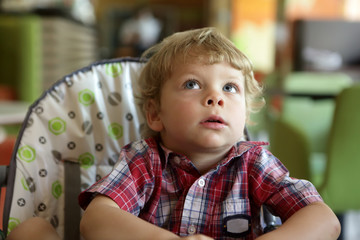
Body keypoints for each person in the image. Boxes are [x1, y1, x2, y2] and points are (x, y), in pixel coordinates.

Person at [78, 27, 341, 240]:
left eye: (230, 87)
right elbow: (95, 220)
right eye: (192, 84)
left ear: (246, 116)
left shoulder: (255, 164)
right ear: (155, 114)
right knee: (35, 230)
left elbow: (324, 220)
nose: (215, 97)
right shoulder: (144, 162)